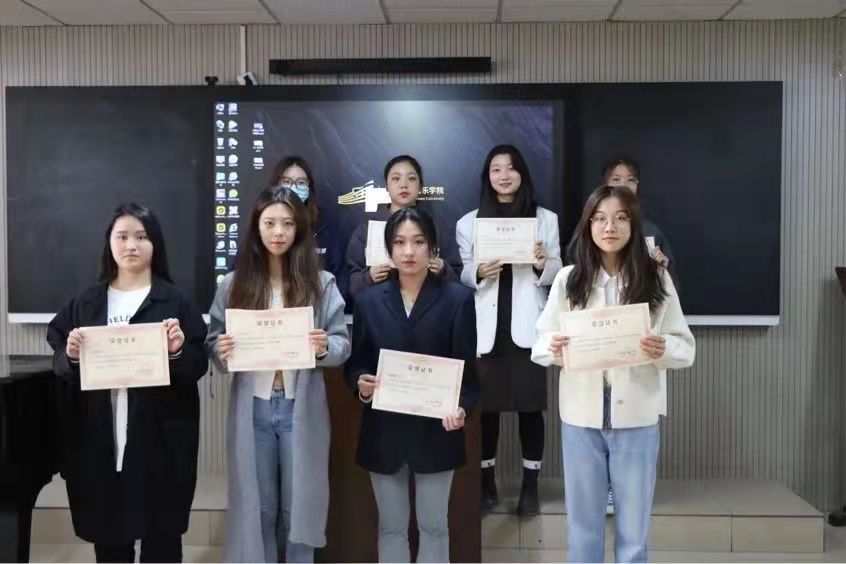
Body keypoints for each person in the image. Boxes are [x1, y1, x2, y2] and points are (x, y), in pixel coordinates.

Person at [531, 185, 695, 563]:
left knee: (634, 532)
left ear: (633, 225)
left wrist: (663, 348)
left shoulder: (655, 279)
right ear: (588, 225)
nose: (610, 227)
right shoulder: (569, 280)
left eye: (620, 218)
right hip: (581, 420)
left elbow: (685, 347)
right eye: (600, 218)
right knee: (583, 529)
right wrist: (555, 345)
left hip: (636, 418)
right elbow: (540, 343)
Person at [46, 203, 208, 563]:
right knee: (110, 542)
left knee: (161, 541)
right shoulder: (87, 302)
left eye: (141, 236)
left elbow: (198, 364)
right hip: (100, 437)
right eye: (122, 236)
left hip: (161, 441)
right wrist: (71, 356)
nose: (131, 245)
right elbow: (59, 358)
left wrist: (177, 351)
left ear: (155, 244)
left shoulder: (174, 301)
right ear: (110, 243)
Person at [207, 186, 350, 563]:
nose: (278, 232)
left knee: (298, 509)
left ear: (299, 229)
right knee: (260, 509)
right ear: (256, 227)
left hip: (299, 409)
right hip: (252, 410)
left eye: (287, 223)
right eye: (269, 223)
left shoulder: (321, 283)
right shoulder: (233, 284)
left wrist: (324, 347)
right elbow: (214, 342)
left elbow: (341, 345)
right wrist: (221, 349)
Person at [346, 207, 479, 562]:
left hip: (436, 431)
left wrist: (461, 407)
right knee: (391, 528)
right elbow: (357, 364)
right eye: (400, 242)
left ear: (432, 248)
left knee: (434, 527)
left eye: (418, 242)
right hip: (384, 431)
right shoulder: (368, 301)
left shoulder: (458, 300)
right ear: (389, 249)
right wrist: (361, 384)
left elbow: (468, 378)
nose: (409, 251)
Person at [456, 144, 562, 515]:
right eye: (496, 169)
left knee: (530, 410)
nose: (504, 175)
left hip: (527, 328)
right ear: (487, 177)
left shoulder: (545, 219)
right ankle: (487, 483)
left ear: (522, 174)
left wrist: (541, 263)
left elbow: (557, 270)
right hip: (487, 329)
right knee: (486, 410)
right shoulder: (468, 222)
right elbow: (462, 272)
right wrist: (478, 272)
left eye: (511, 168)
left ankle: (530, 487)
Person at [346, 155, 454, 298]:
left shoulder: (435, 225)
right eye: (396, 178)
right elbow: (351, 282)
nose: (403, 184)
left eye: (411, 178)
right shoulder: (367, 228)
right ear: (386, 186)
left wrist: (443, 269)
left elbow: (457, 276)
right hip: (379, 305)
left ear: (420, 186)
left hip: (427, 305)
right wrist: (369, 277)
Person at [268, 156, 348, 297]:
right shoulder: (262, 224)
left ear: (309, 187)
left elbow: (341, 284)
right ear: (276, 185)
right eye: (286, 182)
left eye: (301, 182)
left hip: (316, 305)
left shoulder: (327, 228)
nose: (293, 188)